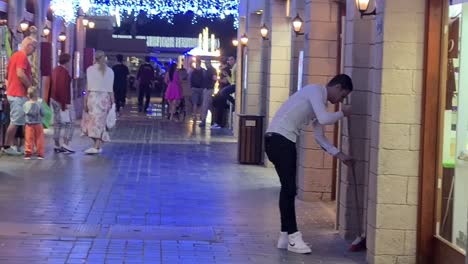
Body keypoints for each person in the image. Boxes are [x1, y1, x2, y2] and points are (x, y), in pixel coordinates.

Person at [264, 74, 354, 254]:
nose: (340, 100)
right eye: (342, 96)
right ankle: (294, 238)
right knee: (289, 190)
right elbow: (324, 119)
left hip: (279, 141)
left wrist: (339, 154)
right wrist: (343, 113)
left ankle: (285, 236)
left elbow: (319, 135)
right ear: (337, 87)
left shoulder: (320, 101)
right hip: (280, 140)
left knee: (288, 189)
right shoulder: (315, 91)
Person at [3, 36, 37, 156]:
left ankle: (20, 145)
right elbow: (20, 74)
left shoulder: (14, 55)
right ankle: (7, 146)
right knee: (16, 121)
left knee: (20, 120)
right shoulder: (22, 56)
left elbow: (7, 76)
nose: (34, 51)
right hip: (18, 93)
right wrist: (30, 87)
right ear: (28, 46)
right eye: (34, 48)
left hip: (14, 92)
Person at [81, 50, 114, 155]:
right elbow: (110, 89)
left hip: (93, 98)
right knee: (101, 123)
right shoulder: (109, 71)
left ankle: (96, 145)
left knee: (91, 122)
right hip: (104, 99)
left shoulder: (90, 70)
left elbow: (88, 86)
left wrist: (85, 100)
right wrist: (113, 102)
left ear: (95, 58)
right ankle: (97, 145)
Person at [50, 53, 75, 153]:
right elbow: (63, 89)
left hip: (54, 99)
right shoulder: (64, 72)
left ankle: (56, 144)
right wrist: (65, 105)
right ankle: (66, 143)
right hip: (62, 101)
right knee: (70, 123)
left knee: (57, 123)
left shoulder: (55, 70)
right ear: (67, 61)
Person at [211, 56, 236, 129]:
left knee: (220, 103)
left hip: (229, 88)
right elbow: (231, 80)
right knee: (217, 102)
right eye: (229, 60)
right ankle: (218, 122)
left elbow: (228, 81)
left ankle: (219, 123)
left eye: (231, 59)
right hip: (227, 87)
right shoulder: (230, 69)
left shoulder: (228, 69)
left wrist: (218, 79)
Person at [23, 87, 44, 160]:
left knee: (28, 139)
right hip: (38, 124)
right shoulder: (39, 104)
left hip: (29, 125)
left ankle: (28, 153)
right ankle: (40, 154)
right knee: (39, 139)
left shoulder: (25, 104)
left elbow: (24, 113)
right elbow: (43, 113)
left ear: (28, 95)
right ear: (37, 95)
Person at [199, 60, 217, 127]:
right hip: (208, 88)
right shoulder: (210, 70)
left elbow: (214, 79)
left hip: (208, 89)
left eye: (206, 63)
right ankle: (214, 119)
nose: (206, 65)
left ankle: (203, 120)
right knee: (209, 105)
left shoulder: (210, 70)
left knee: (205, 104)